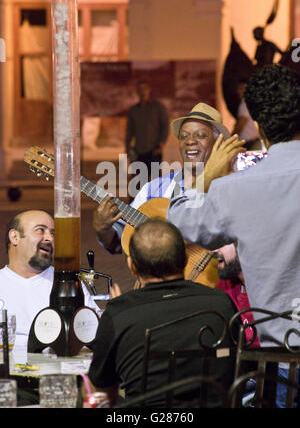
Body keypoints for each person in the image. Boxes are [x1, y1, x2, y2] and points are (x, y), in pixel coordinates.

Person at [167, 64, 300, 350]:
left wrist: (205, 178)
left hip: (279, 353)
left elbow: (178, 223)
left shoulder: (234, 189)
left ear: (258, 125)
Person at [82, 218, 240, 408]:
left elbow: (103, 393)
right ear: (186, 260)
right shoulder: (221, 303)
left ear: (132, 266)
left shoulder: (120, 313)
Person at [93, 102, 244, 261]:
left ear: (218, 143)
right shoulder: (155, 189)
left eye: (201, 135)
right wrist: (103, 230)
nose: (190, 141)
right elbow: (120, 241)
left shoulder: (234, 187)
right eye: (184, 136)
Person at [0, 209, 101, 349]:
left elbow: (93, 332)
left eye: (53, 233)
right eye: (40, 230)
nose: (50, 238)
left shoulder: (67, 281)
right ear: (15, 237)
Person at [125, 80, 169, 170]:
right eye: (140, 89)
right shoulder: (134, 110)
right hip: (138, 151)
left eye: (145, 88)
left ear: (149, 90)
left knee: (155, 181)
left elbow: (165, 127)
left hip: (154, 151)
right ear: (137, 91)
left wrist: (161, 144)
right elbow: (129, 130)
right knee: (139, 181)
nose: (143, 91)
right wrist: (127, 147)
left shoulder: (158, 108)